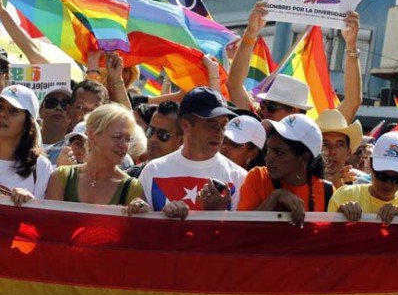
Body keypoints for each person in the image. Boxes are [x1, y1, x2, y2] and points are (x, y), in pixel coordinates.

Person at [227, 2, 362, 123]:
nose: (263, 111)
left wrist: (351, 46)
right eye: (263, 104)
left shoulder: (311, 139)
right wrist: (250, 33)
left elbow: (353, 101)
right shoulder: (255, 123)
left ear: (296, 112)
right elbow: (234, 85)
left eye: (272, 107)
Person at [136, 87, 247, 217]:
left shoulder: (239, 178)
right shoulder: (153, 171)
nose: (219, 132)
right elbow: (140, 229)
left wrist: (219, 213)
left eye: (223, 125)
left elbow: (241, 234)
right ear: (186, 125)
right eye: (211, 124)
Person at [238, 114, 332, 227]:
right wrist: (275, 197)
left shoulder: (327, 191)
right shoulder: (257, 177)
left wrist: (348, 213)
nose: (268, 158)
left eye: (279, 153)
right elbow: (241, 229)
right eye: (268, 150)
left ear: (304, 158)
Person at [45, 103, 143, 205]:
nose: (124, 145)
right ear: (92, 136)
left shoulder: (132, 188)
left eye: (128, 139)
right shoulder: (62, 177)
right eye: (117, 137)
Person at [328, 131, 398, 223]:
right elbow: (327, 235)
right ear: (371, 165)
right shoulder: (344, 196)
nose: (389, 184)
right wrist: (338, 220)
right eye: (382, 176)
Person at [45, 79, 109, 165]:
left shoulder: (116, 157)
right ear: (68, 111)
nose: (87, 115)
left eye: (95, 110)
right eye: (80, 107)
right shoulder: (48, 155)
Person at [125, 101, 182, 178]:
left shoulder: (188, 181)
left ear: (181, 140)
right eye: (151, 130)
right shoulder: (131, 177)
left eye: (163, 134)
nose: (153, 138)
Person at [315, 109, 364, 188]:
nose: (332, 151)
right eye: (325, 144)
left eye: (340, 145)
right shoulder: (300, 182)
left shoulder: (357, 189)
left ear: (348, 152)